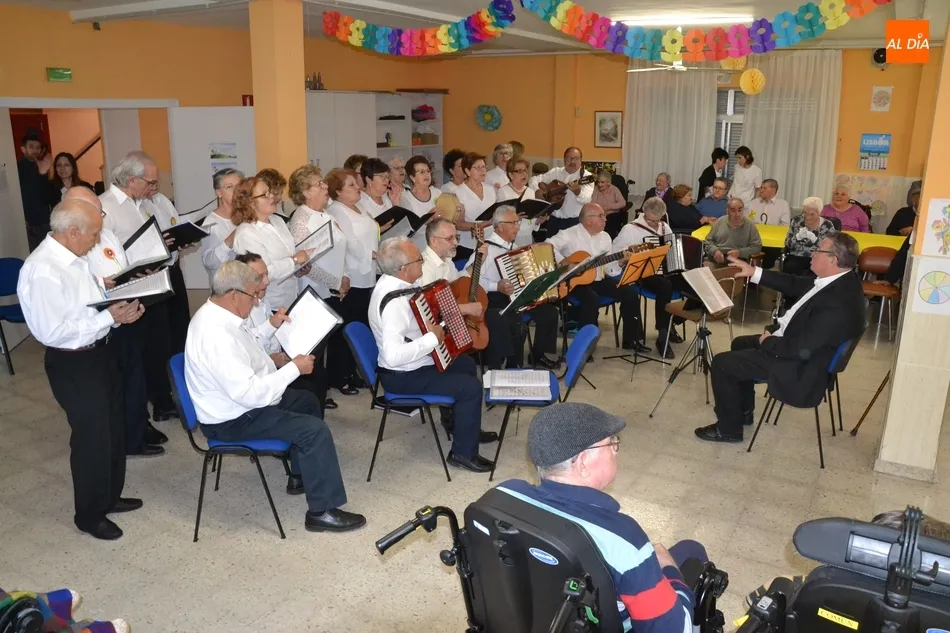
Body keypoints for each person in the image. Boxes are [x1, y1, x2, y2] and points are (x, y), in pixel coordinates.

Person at [185, 260, 365, 532]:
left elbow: (249, 345)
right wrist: (294, 368)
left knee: (306, 401)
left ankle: (300, 474)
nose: (257, 302)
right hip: (232, 419)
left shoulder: (221, 315)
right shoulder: (215, 335)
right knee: (314, 431)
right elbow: (250, 395)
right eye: (253, 295)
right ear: (233, 295)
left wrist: (270, 326)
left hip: (241, 404)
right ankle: (322, 512)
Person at [499, 402, 705, 630]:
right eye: (611, 443)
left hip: (535, 616)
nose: (616, 450)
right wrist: (670, 572)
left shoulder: (503, 495)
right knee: (692, 552)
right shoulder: (624, 539)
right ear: (584, 463)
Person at [17, 197, 146, 540]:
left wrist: (117, 317)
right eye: (93, 233)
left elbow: (87, 309)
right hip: (73, 362)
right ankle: (89, 514)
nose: (97, 240)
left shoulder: (76, 258)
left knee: (113, 428)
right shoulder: (44, 269)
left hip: (99, 351)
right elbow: (52, 331)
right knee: (92, 439)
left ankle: (109, 495)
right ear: (72, 231)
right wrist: (109, 317)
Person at [695, 233, 865, 442]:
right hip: (802, 348)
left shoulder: (837, 304)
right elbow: (794, 284)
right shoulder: (841, 281)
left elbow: (800, 348)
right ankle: (743, 412)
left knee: (722, 363)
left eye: (818, 250)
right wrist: (753, 271)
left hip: (800, 367)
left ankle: (728, 429)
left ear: (833, 260)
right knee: (740, 344)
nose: (812, 253)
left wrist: (769, 341)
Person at [368, 237, 496, 473]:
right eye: (419, 260)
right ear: (404, 269)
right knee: (469, 387)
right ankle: (462, 454)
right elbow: (393, 356)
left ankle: (461, 427)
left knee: (466, 364)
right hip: (401, 375)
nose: (423, 263)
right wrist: (432, 339)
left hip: (414, 364)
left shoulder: (398, 284)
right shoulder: (394, 304)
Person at [69, 186, 165, 458]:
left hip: (125, 309)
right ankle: (126, 438)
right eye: (95, 211)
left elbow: (120, 265)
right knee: (119, 384)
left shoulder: (107, 234)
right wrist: (104, 285)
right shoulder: (75, 243)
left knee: (135, 378)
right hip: (105, 319)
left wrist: (136, 275)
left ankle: (137, 434)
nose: (101, 215)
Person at [100, 151, 178, 423]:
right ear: (132, 179)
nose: (152, 187)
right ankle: (135, 422)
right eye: (149, 181)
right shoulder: (106, 207)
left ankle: (158, 403)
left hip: (149, 286)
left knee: (156, 348)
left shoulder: (139, 204)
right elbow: (103, 255)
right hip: (127, 293)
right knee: (133, 360)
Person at [235, 252, 332, 413]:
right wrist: (274, 358)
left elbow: (271, 339)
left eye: (267, 274)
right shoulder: (240, 310)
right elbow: (248, 345)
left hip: (276, 359)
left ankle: (311, 426)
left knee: (319, 373)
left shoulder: (262, 302)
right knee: (307, 389)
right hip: (262, 374)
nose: (266, 281)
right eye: (260, 277)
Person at [468, 207, 561, 370]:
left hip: (516, 296)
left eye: (518, 223)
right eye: (513, 223)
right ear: (500, 226)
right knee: (515, 324)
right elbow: (472, 282)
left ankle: (537, 355)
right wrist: (496, 286)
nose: (518, 227)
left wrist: (544, 289)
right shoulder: (486, 249)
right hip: (494, 299)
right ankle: (510, 364)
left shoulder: (515, 246)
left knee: (550, 313)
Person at [287, 165, 347, 411]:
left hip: (334, 288)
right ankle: (312, 399)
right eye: (319, 184)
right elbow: (305, 265)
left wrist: (344, 276)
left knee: (324, 346)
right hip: (314, 291)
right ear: (305, 192)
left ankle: (320, 391)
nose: (325, 187)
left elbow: (342, 247)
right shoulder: (301, 219)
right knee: (313, 348)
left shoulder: (327, 215)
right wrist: (336, 282)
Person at [548, 204, 644, 354]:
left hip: (599, 280)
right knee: (591, 300)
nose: (605, 219)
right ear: (588, 220)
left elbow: (611, 270)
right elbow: (547, 246)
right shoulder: (568, 234)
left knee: (630, 294)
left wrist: (620, 261)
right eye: (601, 216)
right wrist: (564, 262)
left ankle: (631, 340)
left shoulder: (605, 237)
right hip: (574, 282)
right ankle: (585, 347)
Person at [325, 167, 380, 395]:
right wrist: (374, 255)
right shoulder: (337, 211)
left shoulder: (360, 206)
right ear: (338, 192)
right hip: (353, 275)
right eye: (351, 185)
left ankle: (356, 371)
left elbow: (371, 231)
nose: (357, 187)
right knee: (346, 327)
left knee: (361, 325)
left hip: (368, 273)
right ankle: (339, 376)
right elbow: (351, 241)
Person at [610, 197, 683, 358]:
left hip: (663, 270)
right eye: (651, 220)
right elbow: (615, 251)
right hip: (641, 272)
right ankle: (662, 334)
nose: (654, 225)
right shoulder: (630, 229)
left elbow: (671, 248)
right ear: (645, 212)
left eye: (658, 220)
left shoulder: (664, 226)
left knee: (690, 282)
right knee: (665, 287)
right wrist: (627, 257)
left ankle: (673, 321)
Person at [232, 175, 310, 313]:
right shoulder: (247, 233)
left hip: (290, 297)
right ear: (250, 202)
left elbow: (287, 256)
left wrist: (299, 268)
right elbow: (262, 274)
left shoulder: (277, 221)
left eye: (270, 192)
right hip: (269, 305)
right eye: (265, 194)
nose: (272, 197)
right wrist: (295, 260)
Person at [532, 147, 594, 237]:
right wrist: (537, 191)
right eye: (569, 158)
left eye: (576, 158)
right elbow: (533, 179)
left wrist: (578, 192)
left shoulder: (587, 177)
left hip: (574, 223)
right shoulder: (555, 172)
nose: (572, 161)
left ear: (581, 160)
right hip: (553, 222)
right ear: (564, 159)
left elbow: (587, 200)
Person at [200, 167, 244, 286]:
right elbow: (209, 261)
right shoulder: (211, 223)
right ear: (218, 193)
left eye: (239, 185)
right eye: (229, 187)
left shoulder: (248, 215)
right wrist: (230, 240)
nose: (236, 191)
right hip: (226, 289)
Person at [454, 152, 496, 262]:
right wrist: (480, 225)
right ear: (467, 171)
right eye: (478, 168)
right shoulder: (458, 192)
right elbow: (458, 223)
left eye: (484, 167)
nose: (483, 171)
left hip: (490, 242)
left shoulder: (490, 189)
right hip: (469, 245)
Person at [17, 131, 54, 252]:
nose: (35, 150)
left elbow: (46, 196)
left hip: (45, 221)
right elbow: (24, 195)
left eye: (38, 147)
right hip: (30, 224)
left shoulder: (39, 166)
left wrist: (43, 173)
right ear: (23, 149)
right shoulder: (18, 168)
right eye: (31, 147)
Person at [402, 155, 446, 251]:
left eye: (428, 171)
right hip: (419, 248)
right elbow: (407, 231)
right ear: (412, 177)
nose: (426, 175)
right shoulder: (406, 199)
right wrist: (427, 219)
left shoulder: (437, 193)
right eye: (421, 172)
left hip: (440, 246)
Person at [783, 197, 835, 277]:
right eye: (805, 212)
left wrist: (816, 240)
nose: (807, 217)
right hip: (797, 256)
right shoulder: (797, 221)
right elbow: (787, 244)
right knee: (791, 267)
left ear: (819, 213)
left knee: (814, 273)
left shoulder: (827, 225)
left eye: (812, 214)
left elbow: (832, 248)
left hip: (818, 257)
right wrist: (797, 237)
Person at [703, 199, 763, 268]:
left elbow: (757, 247)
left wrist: (740, 253)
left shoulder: (750, 225)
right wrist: (714, 251)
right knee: (705, 274)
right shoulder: (720, 221)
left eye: (740, 210)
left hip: (738, 261)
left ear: (743, 210)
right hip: (717, 259)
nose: (737, 214)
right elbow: (708, 241)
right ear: (727, 211)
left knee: (732, 275)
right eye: (733, 211)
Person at [495, 156, 537, 247]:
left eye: (525, 170)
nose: (524, 174)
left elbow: (530, 220)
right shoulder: (503, 192)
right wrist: (514, 218)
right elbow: (500, 220)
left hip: (527, 237)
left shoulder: (530, 192)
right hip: (510, 238)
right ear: (510, 175)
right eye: (520, 171)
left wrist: (537, 220)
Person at [592, 169, 628, 239]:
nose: (599, 184)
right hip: (599, 214)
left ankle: (609, 243)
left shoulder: (614, 189)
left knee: (610, 223)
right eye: (598, 182)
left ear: (608, 183)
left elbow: (623, 203)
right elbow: (593, 202)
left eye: (602, 182)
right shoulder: (596, 189)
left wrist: (609, 207)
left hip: (612, 214)